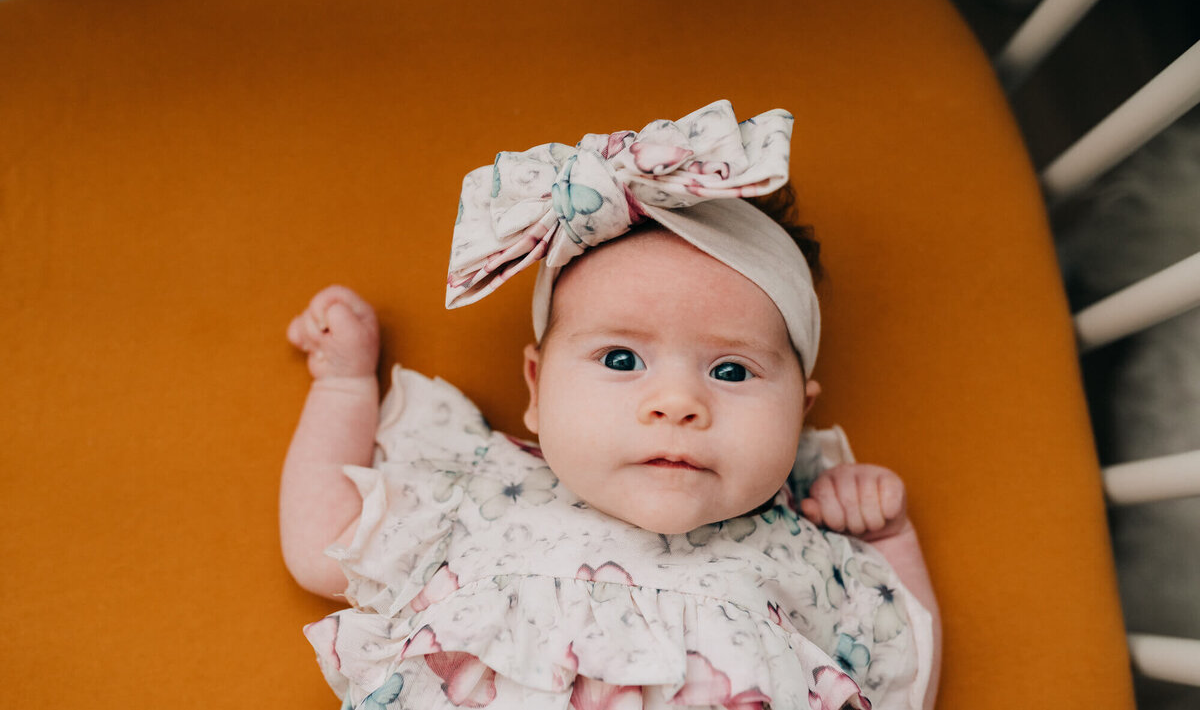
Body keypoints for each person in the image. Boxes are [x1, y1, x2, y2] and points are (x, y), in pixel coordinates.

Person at [280, 100, 941, 710]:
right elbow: (322, 542)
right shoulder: (484, 495)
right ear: (536, 390)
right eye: (622, 359)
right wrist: (343, 386)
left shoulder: (800, 548)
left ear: (800, 413)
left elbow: (901, 680)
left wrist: (888, 542)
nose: (677, 402)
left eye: (732, 369)